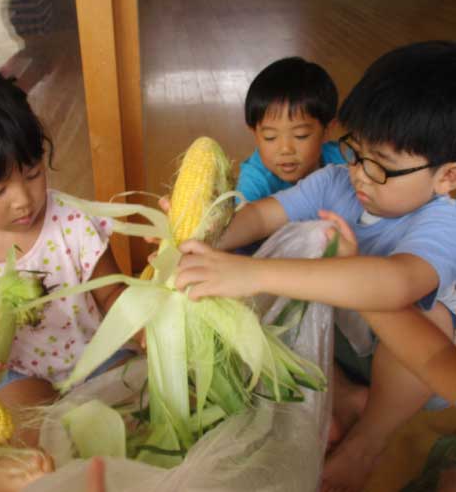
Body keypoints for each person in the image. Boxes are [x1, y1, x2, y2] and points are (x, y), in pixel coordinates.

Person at [175, 40, 456, 492]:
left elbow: (397, 283)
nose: (360, 173)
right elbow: (264, 215)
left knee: (434, 316)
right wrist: (199, 237)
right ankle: (345, 398)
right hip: (345, 347)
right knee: (300, 242)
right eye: (355, 151)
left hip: (411, 366)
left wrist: (250, 273)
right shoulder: (336, 179)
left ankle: (369, 438)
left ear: (448, 176)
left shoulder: (446, 214)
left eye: (380, 165)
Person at [0, 66, 129, 484]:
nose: (23, 201)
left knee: (134, 422)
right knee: (29, 441)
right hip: (19, 371)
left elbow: (113, 293)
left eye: (32, 174)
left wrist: (144, 330)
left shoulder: (71, 220)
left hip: (97, 356)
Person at [237, 56, 345, 204]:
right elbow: (242, 218)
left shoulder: (344, 161)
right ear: (255, 134)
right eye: (270, 137)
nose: (285, 149)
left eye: (301, 135)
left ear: (327, 130)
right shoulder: (256, 178)